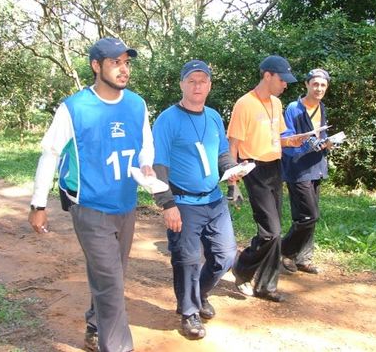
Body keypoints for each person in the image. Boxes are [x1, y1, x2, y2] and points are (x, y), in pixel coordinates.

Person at [28, 37, 155, 352]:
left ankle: (96, 325)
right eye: (115, 62)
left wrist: (147, 167)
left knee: (113, 276)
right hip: (90, 207)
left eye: (126, 62)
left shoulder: (137, 104)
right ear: (96, 66)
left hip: (125, 204)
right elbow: (50, 154)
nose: (123, 69)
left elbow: (145, 144)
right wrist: (38, 204)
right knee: (111, 284)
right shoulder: (74, 108)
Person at [152, 60, 240, 339]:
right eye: (192, 81)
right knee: (186, 259)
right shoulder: (167, 119)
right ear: (182, 85)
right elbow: (158, 165)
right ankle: (189, 312)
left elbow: (222, 153)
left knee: (225, 255)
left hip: (214, 201)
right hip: (184, 202)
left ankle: (199, 293)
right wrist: (167, 204)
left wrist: (231, 170)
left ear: (210, 86)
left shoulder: (214, 116)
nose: (198, 86)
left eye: (203, 81)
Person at [226, 55, 303, 302]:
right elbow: (234, 143)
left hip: (275, 167)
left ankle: (266, 286)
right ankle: (242, 266)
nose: (285, 85)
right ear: (267, 75)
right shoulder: (244, 104)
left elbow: (279, 136)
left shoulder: (276, 104)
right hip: (253, 168)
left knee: (274, 231)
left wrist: (295, 140)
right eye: (282, 79)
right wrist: (233, 181)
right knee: (271, 232)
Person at [281, 68, 334, 275]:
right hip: (297, 168)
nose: (319, 88)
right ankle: (284, 251)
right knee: (309, 215)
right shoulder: (294, 108)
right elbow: (288, 139)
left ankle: (302, 258)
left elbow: (322, 133)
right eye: (315, 84)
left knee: (305, 216)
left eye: (323, 85)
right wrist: (309, 145)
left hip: (316, 166)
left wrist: (327, 143)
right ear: (307, 85)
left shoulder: (322, 107)